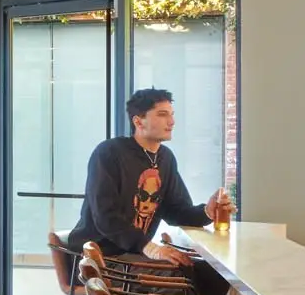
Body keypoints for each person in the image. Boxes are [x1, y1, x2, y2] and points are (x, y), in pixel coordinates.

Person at [65, 87, 233, 260]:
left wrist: (207, 212)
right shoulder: (109, 153)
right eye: (162, 114)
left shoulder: (165, 158)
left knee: (208, 273)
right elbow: (105, 217)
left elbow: (176, 212)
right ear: (138, 122)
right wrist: (150, 248)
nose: (172, 121)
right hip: (98, 258)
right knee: (194, 275)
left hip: (133, 255)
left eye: (171, 114)